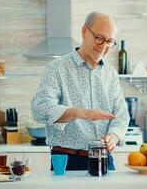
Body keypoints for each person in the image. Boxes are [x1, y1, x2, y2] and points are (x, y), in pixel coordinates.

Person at [31, 11, 129, 170]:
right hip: (67, 161)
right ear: (84, 32)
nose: (104, 46)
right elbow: (39, 109)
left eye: (109, 41)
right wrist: (78, 113)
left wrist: (114, 136)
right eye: (99, 38)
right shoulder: (58, 68)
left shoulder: (110, 74)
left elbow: (122, 115)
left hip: (104, 159)